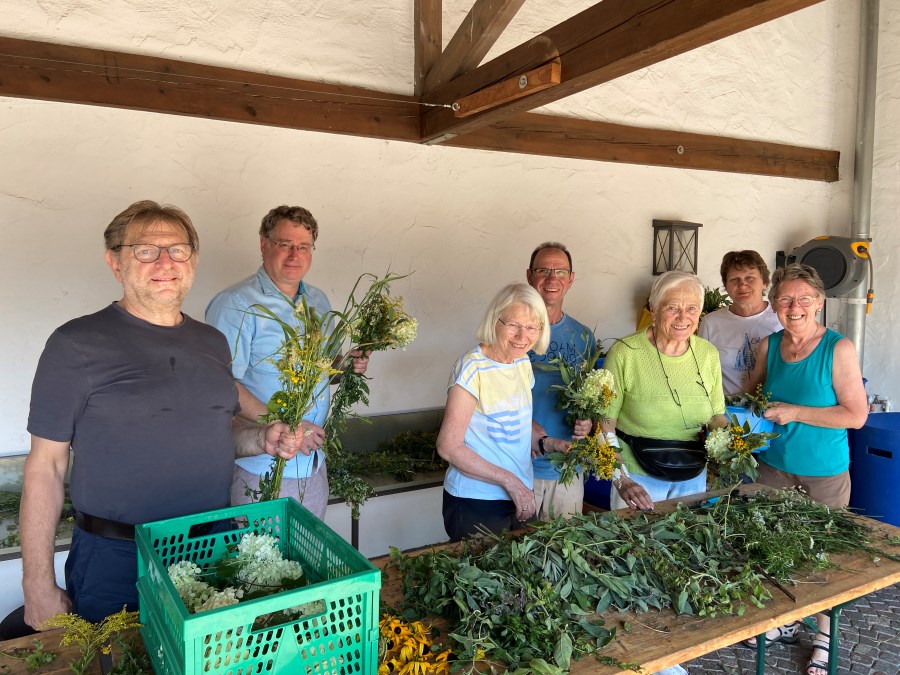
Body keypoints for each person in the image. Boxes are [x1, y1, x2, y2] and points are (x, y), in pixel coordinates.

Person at [21, 200, 308, 628]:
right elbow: (46, 466)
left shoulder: (212, 342)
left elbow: (216, 435)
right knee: (121, 658)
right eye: (145, 250)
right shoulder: (75, 344)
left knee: (214, 656)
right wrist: (36, 584)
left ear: (193, 260)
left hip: (213, 544)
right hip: (118, 556)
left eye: (178, 250)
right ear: (115, 262)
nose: (165, 263)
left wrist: (259, 438)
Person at [206, 205, 369, 519]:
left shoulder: (318, 300)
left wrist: (345, 365)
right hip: (260, 467)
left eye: (304, 247)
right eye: (285, 244)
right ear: (264, 245)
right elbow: (221, 384)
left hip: (312, 462)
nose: (295, 255)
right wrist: (288, 425)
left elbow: (321, 368)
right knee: (259, 551)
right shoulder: (236, 304)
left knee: (307, 550)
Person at [745, 263, 867, 675]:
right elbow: (752, 395)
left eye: (803, 299)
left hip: (823, 472)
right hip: (772, 467)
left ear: (819, 303)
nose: (793, 306)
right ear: (774, 304)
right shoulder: (768, 345)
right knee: (774, 548)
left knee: (823, 556)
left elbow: (856, 415)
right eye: (784, 299)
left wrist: (795, 412)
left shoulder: (838, 348)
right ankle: (786, 621)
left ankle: (825, 637)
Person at [602, 271, 728, 512]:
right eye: (672, 307)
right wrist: (622, 480)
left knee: (687, 535)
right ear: (653, 310)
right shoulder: (625, 352)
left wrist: (734, 443)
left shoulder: (708, 354)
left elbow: (716, 415)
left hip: (692, 474)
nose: (683, 317)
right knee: (636, 537)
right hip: (638, 479)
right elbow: (604, 422)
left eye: (692, 308)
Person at [437, 283, 551, 541]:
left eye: (532, 327)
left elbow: (514, 425)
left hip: (519, 495)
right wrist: (510, 481)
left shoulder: (521, 362)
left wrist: (548, 443)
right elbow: (448, 446)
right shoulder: (472, 368)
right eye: (513, 325)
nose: (522, 336)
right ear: (494, 320)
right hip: (477, 501)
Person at [525, 242, 596, 518]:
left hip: (566, 468)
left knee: (564, 542)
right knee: (516, 542)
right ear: (530, 276)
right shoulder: (513, 332)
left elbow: (591, 397)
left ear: (571, 278)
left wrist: (589, 422)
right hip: (519, 466)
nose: (552, 278)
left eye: (561, 271)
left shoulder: (583, 337)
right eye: (543, 270)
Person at [699, 250, 783, 395]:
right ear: (726, 286)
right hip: (726, 407)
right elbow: (701, 372)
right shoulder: (710, 323)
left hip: (774, 405)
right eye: (734, 279)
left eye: (750, 278)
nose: (742, 284)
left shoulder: (781, 318)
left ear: (764, 282)